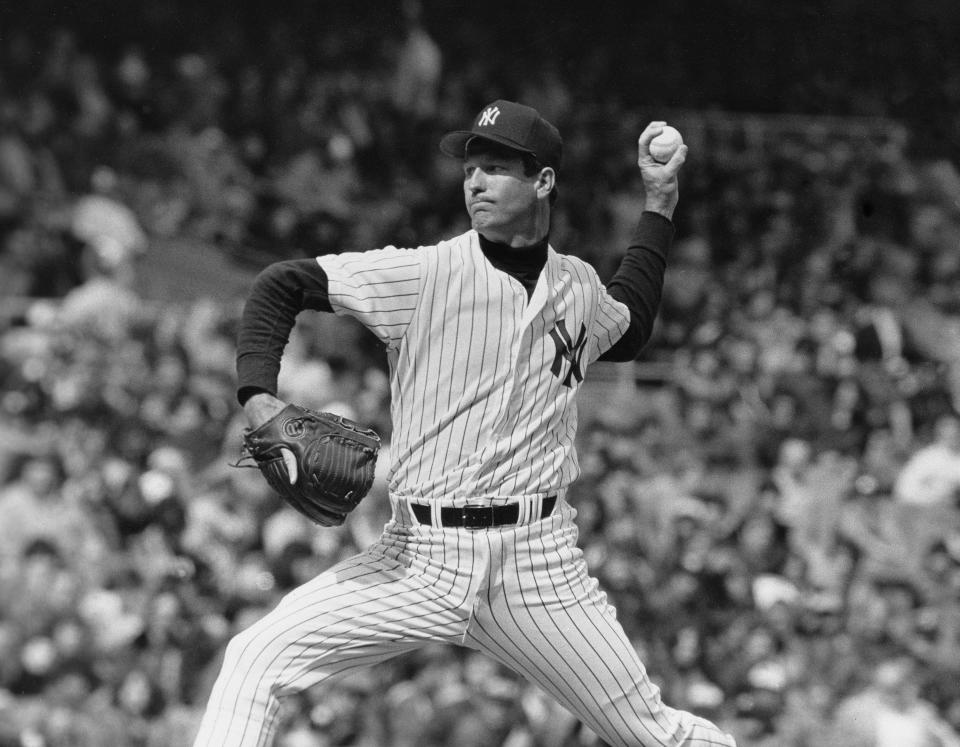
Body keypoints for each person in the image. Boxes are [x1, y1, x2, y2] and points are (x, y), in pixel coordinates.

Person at [192, 99, 738, 746]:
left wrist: (660, 202)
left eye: (496, 166)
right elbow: (282, 284)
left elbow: (631, 324)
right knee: (254, 660)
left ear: (544, 181)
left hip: (539, 563)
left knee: (658, 734)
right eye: (470, 167)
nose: (474, 180)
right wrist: (259, 398)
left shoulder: (579, 287)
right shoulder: (425, 272)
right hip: (420, 555)